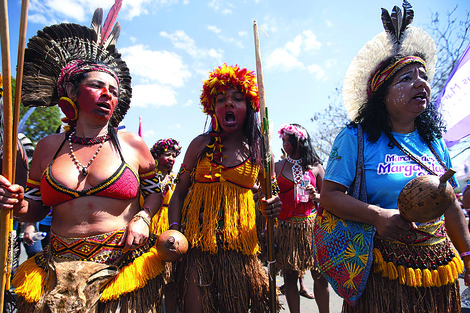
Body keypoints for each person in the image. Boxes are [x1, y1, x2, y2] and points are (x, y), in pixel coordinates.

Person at [0, 8, 165, 313]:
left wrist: (143, 218)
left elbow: (155, 191)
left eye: (113, 91)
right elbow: (35, 208)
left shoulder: (133, 144)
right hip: (57, 272)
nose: (107, 95)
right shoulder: (49, 147)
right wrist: (15, 203)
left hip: (120, 271)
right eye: (97, 86)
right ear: (70, 92)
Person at [320, 2, 470, 312]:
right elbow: (329, 196)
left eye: (422, 75)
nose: (421, 83)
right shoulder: (354, 139)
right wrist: (376, 215)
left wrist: (467, 255)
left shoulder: (433, 141)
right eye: (406, 79)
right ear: (382, 95)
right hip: (380, 271)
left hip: (436, 270)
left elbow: (451, 203)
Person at [168, 63, 282, 313]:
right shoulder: (199, 145)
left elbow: (269, 197)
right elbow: (177, 195)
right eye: (221, 99)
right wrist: (175, 231)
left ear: (250, 107)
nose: (228, 103)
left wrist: (272, 206)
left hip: (239, 250)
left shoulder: (260, 151)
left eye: (237, 99)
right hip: (196, 246)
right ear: (213, 109)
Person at [275, 123, 329, 313]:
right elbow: (268, 193)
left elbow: (330, 197)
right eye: (283, 138)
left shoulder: (316, 167)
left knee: (320, 276)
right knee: (290, 277)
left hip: (312, 228)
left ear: (301, 141)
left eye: (289, 138)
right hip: (286, 228)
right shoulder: (277, 166)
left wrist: (316, 196)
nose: (285, 142)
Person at [149, 138, 182, 313]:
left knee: (170, 282)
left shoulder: (177, 179)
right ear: (156, 155)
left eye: (173, 155)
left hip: (169, 230)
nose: (171, 158)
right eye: (166, 154)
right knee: (151, 280)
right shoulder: (148, 178)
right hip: (150, 232)